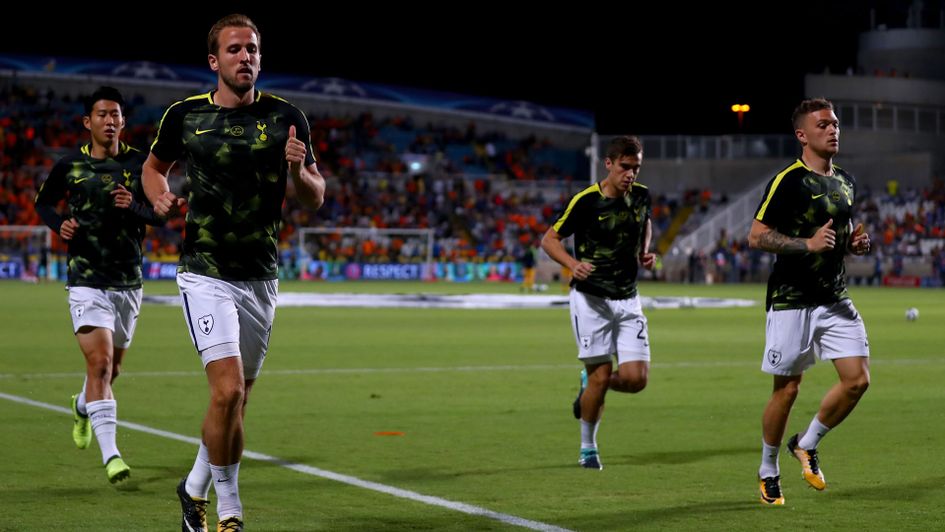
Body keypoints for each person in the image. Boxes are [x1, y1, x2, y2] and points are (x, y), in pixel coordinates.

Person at [142, 14, 325, 532]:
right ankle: (230, 512)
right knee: (226, 393)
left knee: (235, 404)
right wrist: (159, 197)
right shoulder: (184, 116)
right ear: (214, 61)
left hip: (260, 276)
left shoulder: (287, 116)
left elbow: (314, 196)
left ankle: (191, 488)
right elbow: (153, 169)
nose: (246, 57)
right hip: (205, 270)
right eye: (235, 49)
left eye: (253, 49)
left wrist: (297, 169)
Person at [34, 86, 161, 484]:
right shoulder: (70, 165)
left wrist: (134, 206)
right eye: (102, 114)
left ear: (124, 121)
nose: (109, 121)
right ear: (87, 122)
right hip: (86, 279)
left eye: (115, 114)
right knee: (101, 364)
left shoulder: (140, 164)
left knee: (111, 369)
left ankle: (82, 406)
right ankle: (112, 456)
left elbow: (158, 215)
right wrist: (60, 224)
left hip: (128, 281)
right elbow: (43, 203)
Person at [748, 98, 872, 505]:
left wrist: (854, 245)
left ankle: (806, 443)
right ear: (802, 135)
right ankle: (768, 469)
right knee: (787, 390)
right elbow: (756, 236)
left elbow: (838, 237)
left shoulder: (846, 181)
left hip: (834, 297)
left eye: (835, 123)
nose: (833, 130)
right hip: (791, 300)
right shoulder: (788, 181)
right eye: (823, 125)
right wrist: (807, 244)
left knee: (857, 380)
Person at [541, 135, 655, 470]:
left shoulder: (642, 195)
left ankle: (588, 384)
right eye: (625, 167)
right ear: (608, 164)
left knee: (636, 380)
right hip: (591, 299)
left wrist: (644, 251)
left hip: (628, 298)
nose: (630, 174)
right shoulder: (586, 201)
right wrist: (572, 264)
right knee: (601, 376)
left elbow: (645, 220)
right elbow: (549, 239)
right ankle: (588, 448)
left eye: (635, 168)